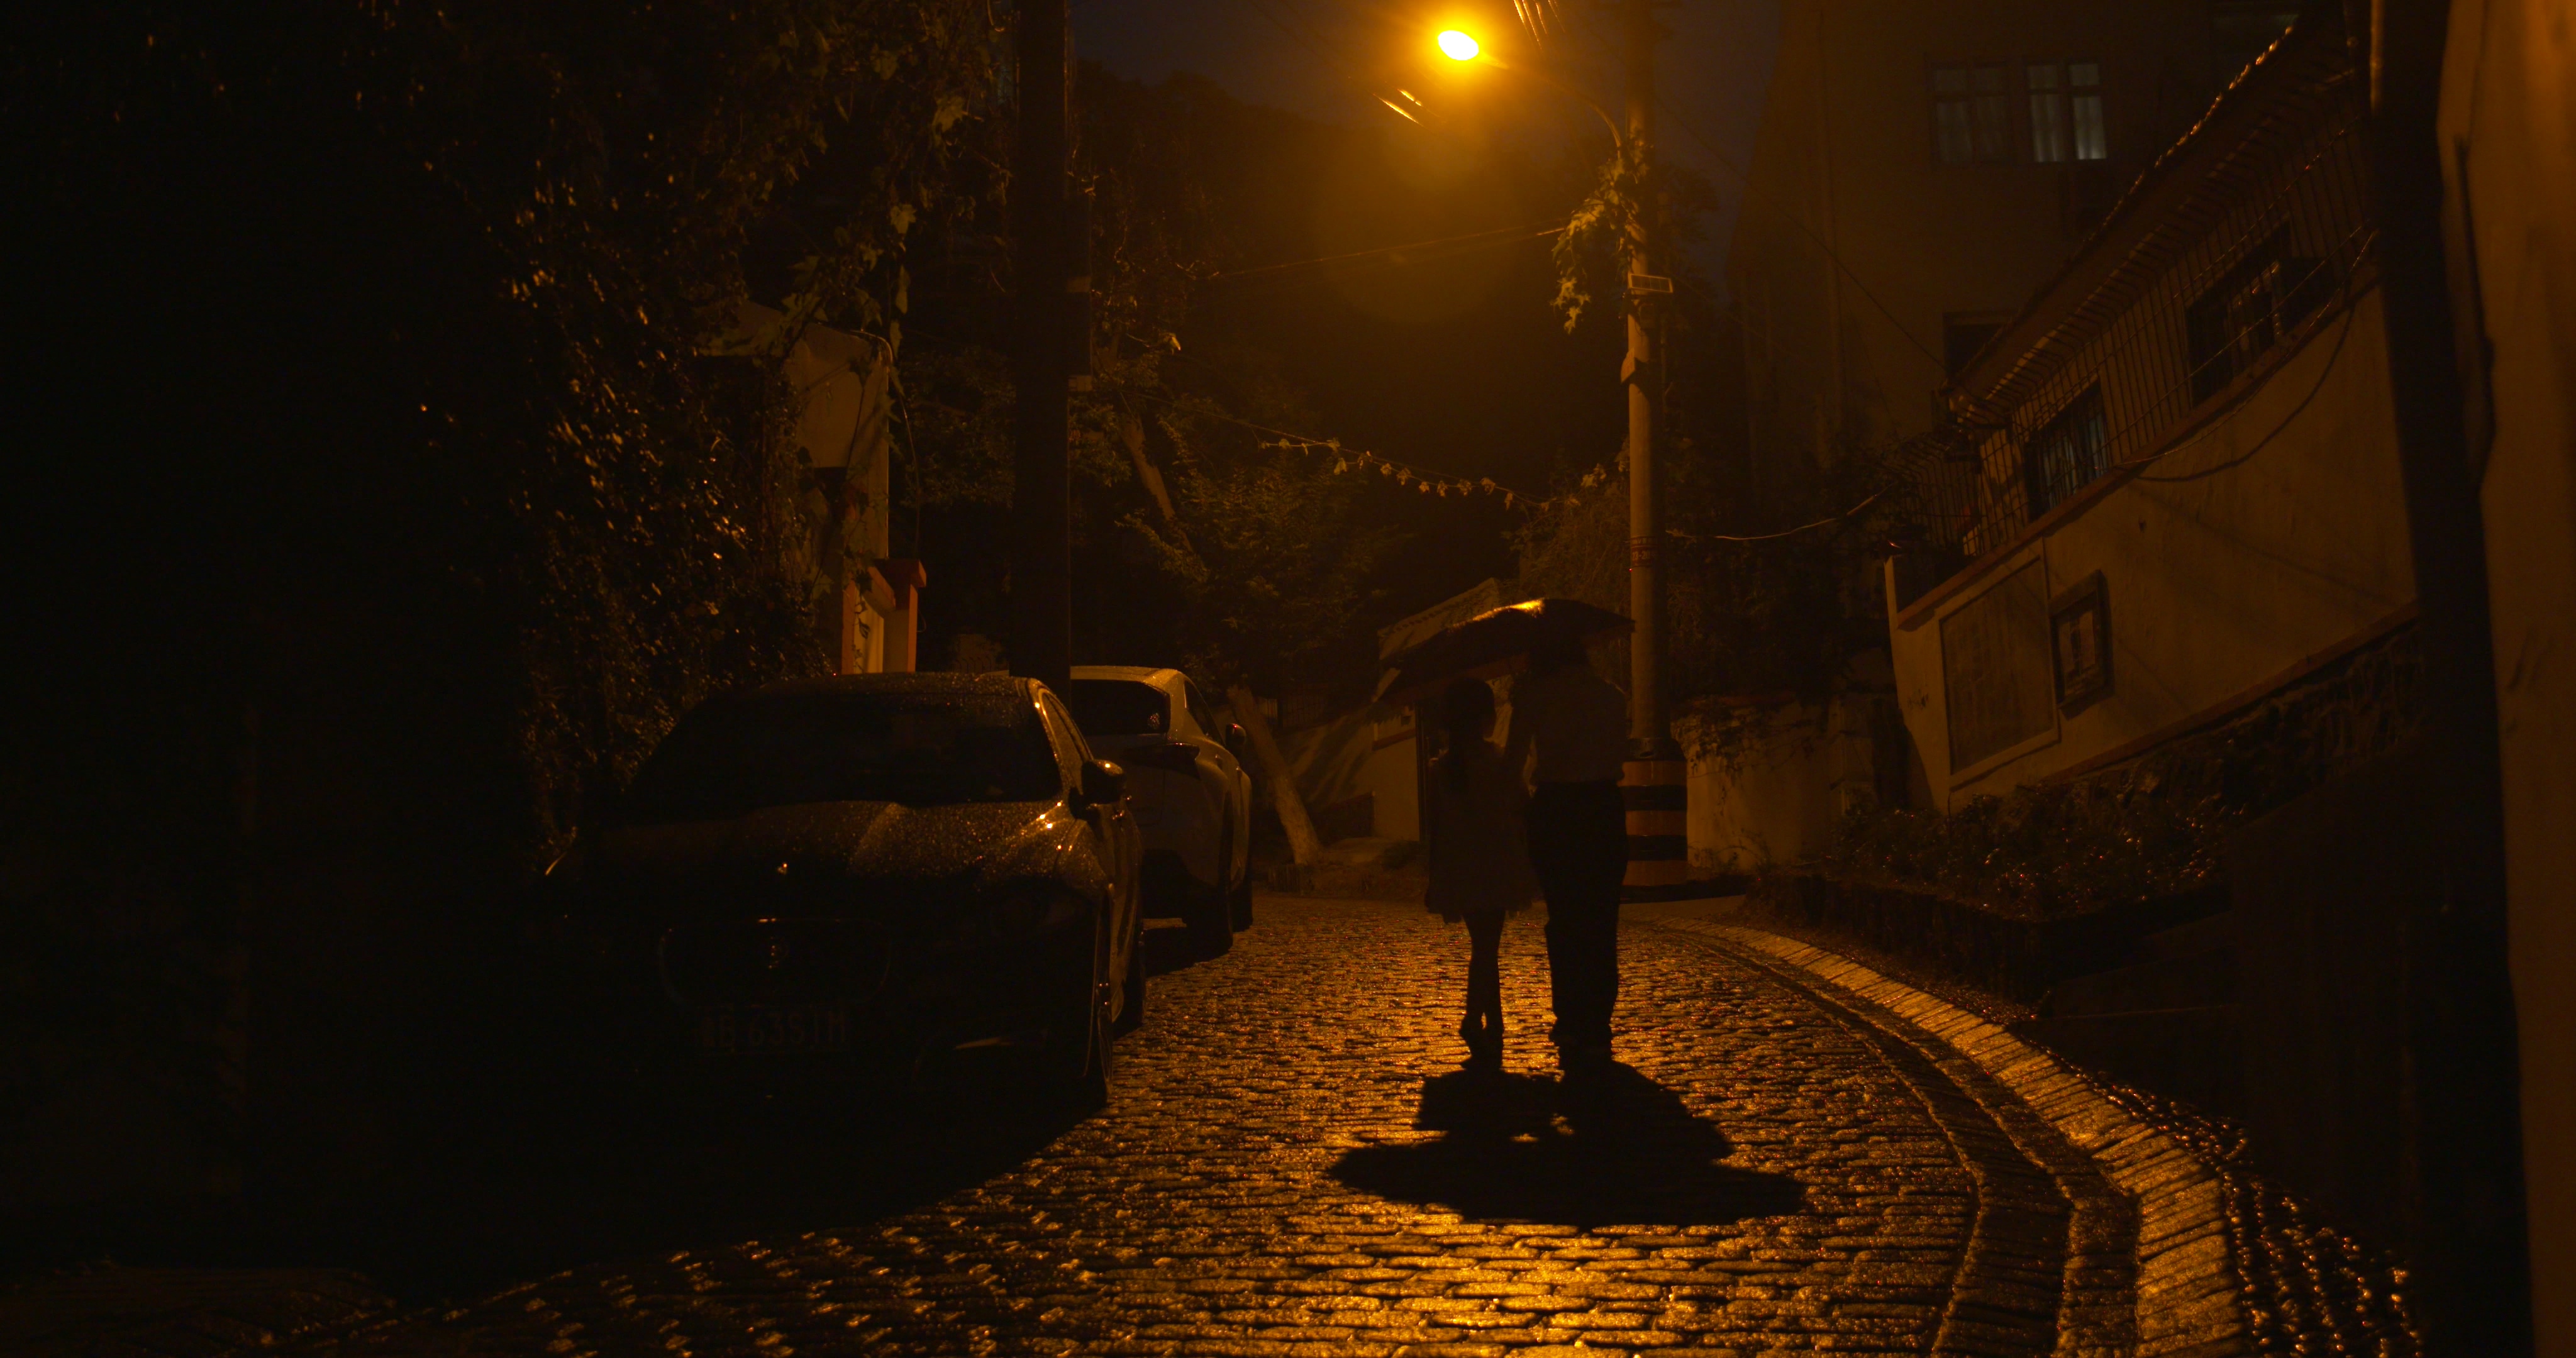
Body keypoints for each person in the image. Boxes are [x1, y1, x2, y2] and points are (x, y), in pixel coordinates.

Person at [1500, 636, 1630, 1075]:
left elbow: (1512, 765)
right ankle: (1598, 1025)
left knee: (1565, 917)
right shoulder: (1613, 696)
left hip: (1556, 809)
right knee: (1602, 919)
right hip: (1603, 807)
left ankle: (1570, 1018)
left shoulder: (1536, 697)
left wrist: (1522, 811)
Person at [1423, 676, 1538, 1070]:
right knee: (1487, 947)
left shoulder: (1442, 770)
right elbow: (1521, 806)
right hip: (1496, 862)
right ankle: (1479, 1021)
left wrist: (1436, 875)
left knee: (1484, 946)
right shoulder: (1498, 762)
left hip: (1462, 866)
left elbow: (1436, 830)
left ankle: (1489, 1022)